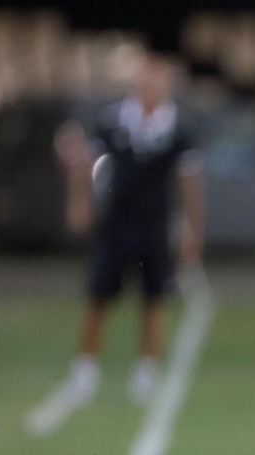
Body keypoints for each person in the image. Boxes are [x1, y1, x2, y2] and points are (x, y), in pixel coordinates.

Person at [54, 53, 203, 406]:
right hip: (116, 221)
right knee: (99, 294)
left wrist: (191, 228)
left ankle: (146, 371)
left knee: (154, 298)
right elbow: (85, 163)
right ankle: (84, 370)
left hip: (154, 223)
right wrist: (79, 202)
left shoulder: (178, 127)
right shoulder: (112, 120)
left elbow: (190, 182)